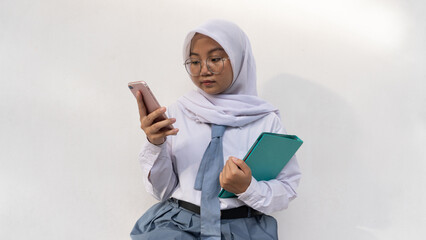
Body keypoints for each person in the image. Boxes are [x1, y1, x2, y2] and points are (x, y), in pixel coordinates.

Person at [130, 19, 301, 240]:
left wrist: (248, 188)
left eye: (215, 59)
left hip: (241, 229)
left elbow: (287, 189)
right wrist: (155, 144)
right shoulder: (177, 113)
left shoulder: (266, 121)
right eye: (194, 61)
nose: (204, 70)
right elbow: (162, 191)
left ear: (239, 59)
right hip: (178, 226)